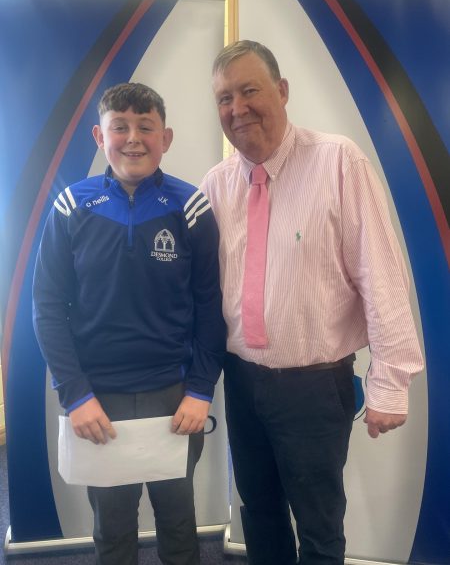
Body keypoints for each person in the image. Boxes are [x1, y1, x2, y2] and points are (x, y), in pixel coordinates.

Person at [200, 40, 424, 565]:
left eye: (250, 91)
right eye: (225, 98)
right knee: (259, 512)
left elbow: (381, 275)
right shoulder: (217, 185)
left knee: (319, 524)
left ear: (282, 90)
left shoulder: (339, 161)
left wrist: (391, 383)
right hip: (241, 380)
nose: (237, 108)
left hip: (314, 387)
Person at [33, 82, 226, 565]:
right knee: (112, 530)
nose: (133, 138)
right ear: (100, 137)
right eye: (120, 126)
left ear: (166, 138)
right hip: (99, 399)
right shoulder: (72, 206)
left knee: (178, 525)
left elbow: (211, 306)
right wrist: (75, 395)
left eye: (146, 127)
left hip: (174, 398)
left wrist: (201, 389)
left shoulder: (191, 208)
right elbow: (48, 307)